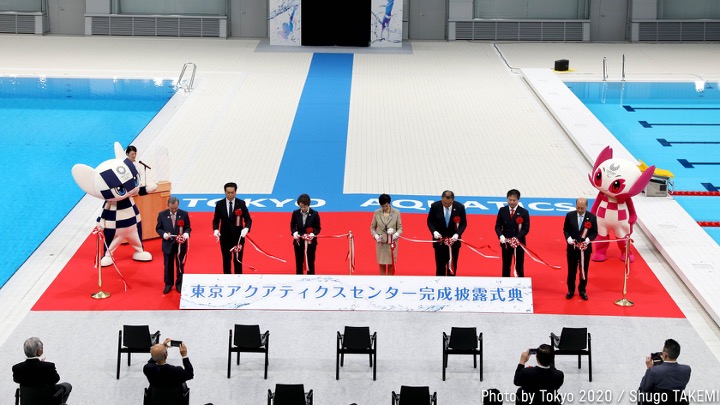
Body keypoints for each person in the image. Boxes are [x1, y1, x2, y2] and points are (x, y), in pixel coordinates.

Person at [12, 337, 72, 404]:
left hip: (27, 401)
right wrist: (43, 364)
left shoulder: (17, 368)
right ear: (39, 351)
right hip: (46, 400)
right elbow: (56, 379)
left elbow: (16, 380)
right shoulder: (48, 366)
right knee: (67, 386)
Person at [563, 198, 598, 300]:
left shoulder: (591, 217)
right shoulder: (570, 215)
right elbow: (566, 229)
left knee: (583, 270)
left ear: (587, 206)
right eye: (578, 207)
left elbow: (594, 232)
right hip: (572, 249)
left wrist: (588, 240)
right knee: (571, 271)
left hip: (585, 249)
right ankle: (571, 290)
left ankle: (582, 290)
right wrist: (568, 238)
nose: (580, 210)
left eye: (582, 208)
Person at [213, 182, 251, 274]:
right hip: (225, 238)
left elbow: (248, 219)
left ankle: (238, 280)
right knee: (226, 260)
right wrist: (216, 229)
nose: (230, 195)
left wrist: (246, 228)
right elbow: (216, 220)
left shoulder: (241, 204)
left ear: (235, 192)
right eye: (228, 193)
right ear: (225, 192)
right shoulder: (219, 204)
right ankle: (227, 280)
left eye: (232, 192)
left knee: (238, 260)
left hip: (238, 238)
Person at [427, 190, 467, 276]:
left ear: (452, 200)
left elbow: (463, 223)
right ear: (442, 199)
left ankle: (451, 284)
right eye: (444, 202)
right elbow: (430, 221)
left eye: (449, 203)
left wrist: (458, 234)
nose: (446, 205)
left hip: (454, 243)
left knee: (452, 266)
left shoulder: (460, 207)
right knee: (440, 266)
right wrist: (434, 231)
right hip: (439, 242)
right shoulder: (435, 206)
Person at [156, 196, 191, 294]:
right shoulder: (162, 215)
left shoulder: (184, 214)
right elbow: (158, 228)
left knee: (180, 265)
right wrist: (164, 235)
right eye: (172, 208)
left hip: (181, 245)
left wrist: (186, 233)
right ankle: (168, 284)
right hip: (168, 244)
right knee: (168, 265)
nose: (174, 210)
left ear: (178, 205)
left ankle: (179, 284)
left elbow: (188, 227)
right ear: (168, 206)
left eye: (175, 208)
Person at [495, 189, 531, 277]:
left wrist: (517, 238)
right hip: (506, 243)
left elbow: (526, 229)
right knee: (506, 265)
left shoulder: (524, 212)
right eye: (509, 200)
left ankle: (520, 282)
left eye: (514, 200)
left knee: (519, 264)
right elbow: (497, 226)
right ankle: (505, 282)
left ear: (518, 200)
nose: (511, 202)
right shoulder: (502, 210)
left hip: (518, 244)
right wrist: (501, 236)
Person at [370, 194, 402, 275]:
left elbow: (400, 228)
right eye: (383, 206)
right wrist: (375, 235)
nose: (384, 208)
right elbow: (372, 227)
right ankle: (382, 282)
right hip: (381, 242)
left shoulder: (396, 213)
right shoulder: (377, 213)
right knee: (382, 264)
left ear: (389, 204)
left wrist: (396, 234)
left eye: (386, 206)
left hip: (392, 243)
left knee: (391, 264)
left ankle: (390, 281)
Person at [291, 193, 321, 275]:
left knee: (310, 261)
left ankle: (311, 278)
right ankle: (298, 278)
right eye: (301, 207)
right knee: (299, 261)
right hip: (299, 241)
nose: (303, 208)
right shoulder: (295, 213)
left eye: (304, 207)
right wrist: (294, 233)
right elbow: (292, 225)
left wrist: (313, 234)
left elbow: (318, 228)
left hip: (310, 242)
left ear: (308, 205)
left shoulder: (314, 214)